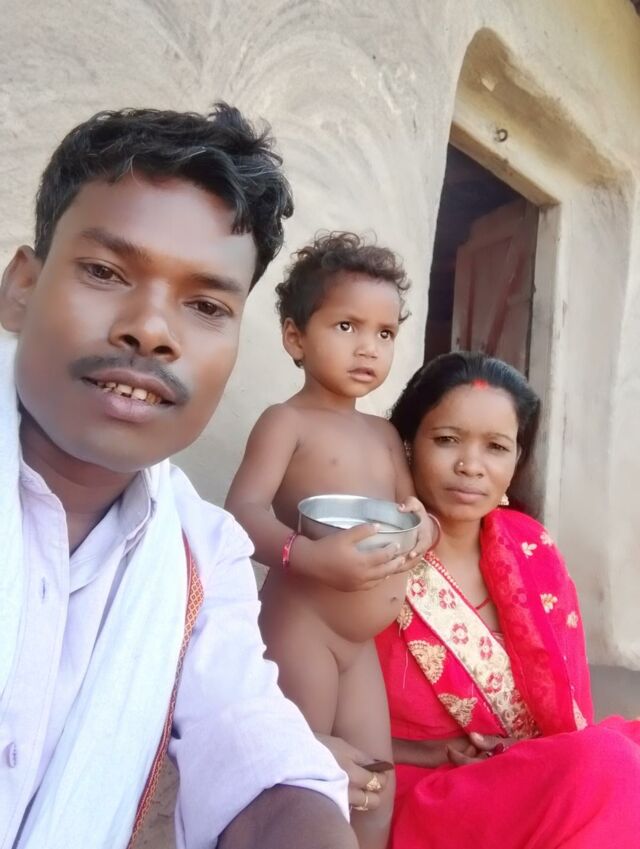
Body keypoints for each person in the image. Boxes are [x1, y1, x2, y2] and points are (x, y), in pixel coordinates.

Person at [0, 104, 357, 849]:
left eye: (205, 305)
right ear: (21, 288)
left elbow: (254, 750)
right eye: (105, 272)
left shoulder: (202, 554)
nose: (151, 330)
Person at [367, 350, 640, 848]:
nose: (471, 466)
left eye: (496, 447)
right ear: (408, 443)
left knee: (611, 760)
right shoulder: (372, 552)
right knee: (611, 765)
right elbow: (309, 719)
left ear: (517, 459)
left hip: (536, 776)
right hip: (424, 791)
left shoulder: (532, 548)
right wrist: (432, 753)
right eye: (447, 440)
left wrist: (531, 760)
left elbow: (569, 722)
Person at [225, 232, 438, 849]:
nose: (368, 347)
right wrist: (309, 556)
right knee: (307, 780)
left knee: (374, 783)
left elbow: (413, 512)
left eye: (385, 333)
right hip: (305, 629)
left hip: (359, 643)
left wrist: (423, 530)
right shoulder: (286, 422)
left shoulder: (384, 436)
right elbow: (241, 511)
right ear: (296, 337)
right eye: (346, 326)